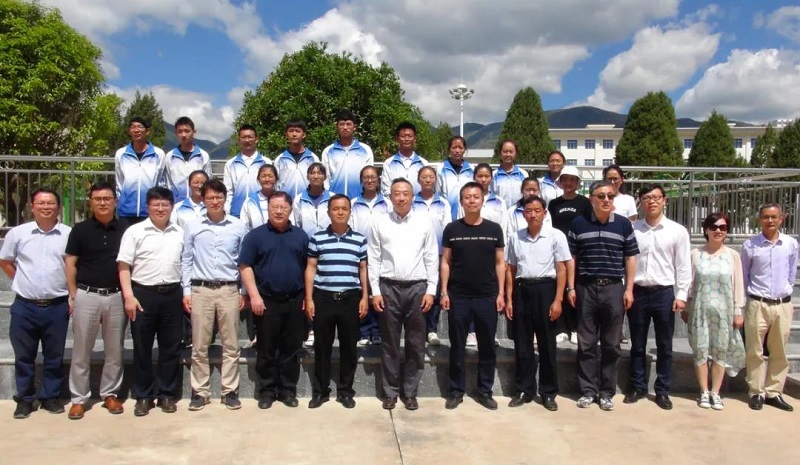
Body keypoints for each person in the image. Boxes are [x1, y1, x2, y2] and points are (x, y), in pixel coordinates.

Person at [0, 188, 71, 419]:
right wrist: (20, 280)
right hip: (25, 306)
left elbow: (73, 266)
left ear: (58, 207)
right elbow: (5, 261)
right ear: (33, 207)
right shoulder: (18, 233)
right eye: (41, 203)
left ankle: (50, 397)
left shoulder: (68, 234)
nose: (46, 207)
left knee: (54, 356)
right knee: (24, 356)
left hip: (57, 305)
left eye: (50, 203)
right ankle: (25, 399)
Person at [568, 180, 639, 411]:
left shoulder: (623, 224)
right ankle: (588, 391)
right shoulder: (578, 223)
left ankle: (607, 392)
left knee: (611, 344)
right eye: (601, 196)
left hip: (613, 288)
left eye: (610, 196)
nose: (606, 200)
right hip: (585, 288)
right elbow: (571, 258)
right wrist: (571, 287)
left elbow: (630, 258)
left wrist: (629, 289)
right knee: (586, 343)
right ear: (592, 199)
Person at [368, 178, 438, 410]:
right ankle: (390, 392)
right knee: (389, 342)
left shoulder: (424, 222)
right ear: (390, 196)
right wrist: (375, 291)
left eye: (405, 193)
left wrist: (431, 290)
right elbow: (374, 258)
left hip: (417, 288)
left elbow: (431, 257)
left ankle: (410, 392)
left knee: (416, 343)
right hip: (388, 287)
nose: (401, 198)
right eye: (396, 193)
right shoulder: (380, 222)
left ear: (412, 196)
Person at [117, 187, 184, 417]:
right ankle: (143, 396)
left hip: (172, 294)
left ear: (172, 206)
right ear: (148, 207)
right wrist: (129, 296)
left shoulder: (179, 232)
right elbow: (124, 265)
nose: (160, 208)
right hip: (143, 294)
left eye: (165, 204)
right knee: (142, 347)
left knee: (170, 347)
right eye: (156, 204)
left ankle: (167, 394)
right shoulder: (134, 232)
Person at [181, 179, 248, 411]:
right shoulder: (193, 226)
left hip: (229, 289)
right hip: (201, 290)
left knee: (231, 344)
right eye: (210, 197)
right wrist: (186, 290)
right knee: (199, 345)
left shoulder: (238, 226)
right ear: (203, 199)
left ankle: (229, 391)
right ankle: (200, 392)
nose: (215, 201)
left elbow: (243, 262)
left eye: (219, 197)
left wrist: (243, 291)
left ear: (225, 199)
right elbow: (186, 260)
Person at [239, 192, 309, 410]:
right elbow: (245, 266)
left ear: (290, 209)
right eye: (274, 207)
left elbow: (308, 268)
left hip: (294, 299)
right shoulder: (255, 236)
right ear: (268, 209)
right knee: (266, 348)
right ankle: (267, 391)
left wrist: (307, 297)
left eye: (283, 207)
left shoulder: (301, 236)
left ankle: (288, 391)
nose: (278, 211)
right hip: (266, 300)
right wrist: (254, 295)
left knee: (291, 348)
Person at [624, 185, 691, 410]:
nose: (651, 201)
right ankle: (638, 387)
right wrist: (627, 289)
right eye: (646, 198)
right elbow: (627, 261)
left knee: (665, 345)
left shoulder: (677, 231)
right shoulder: (633, 229)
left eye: (656, 197)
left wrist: (681, 295)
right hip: (638, 292)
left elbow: (683, 266)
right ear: (641, 202)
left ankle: (662, 390)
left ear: (664, 200)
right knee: (637, 344)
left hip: (664, 293)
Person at [64, 182, 126, 420]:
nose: (103, 203)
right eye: (98, 199)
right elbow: (70, 264)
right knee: (81, 350)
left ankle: (110, 394)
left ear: (115, 202)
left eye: (107, 198)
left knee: (114, 350)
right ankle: (79, 399)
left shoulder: (125, 229)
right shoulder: (80, 230)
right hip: (87, 295)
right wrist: (73, 294)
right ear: (90, 202)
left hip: (116, 296)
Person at [441, 182, 505, 410]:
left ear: (482, 200)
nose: (471, 201)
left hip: (486, 296)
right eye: (467, 197)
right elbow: (445, 261)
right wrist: (444, 291)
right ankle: (456, 391)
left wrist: (501, 293)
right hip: (458, 296)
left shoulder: (494, 229)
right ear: (461, 201)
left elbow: (500, 263)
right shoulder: (452, 229)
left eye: (476, 197)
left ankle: (485, 391)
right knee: (457, 345)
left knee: (487, 345)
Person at [505, 196, 570, 411]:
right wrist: (509, 298)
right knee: (522, 344)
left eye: (537, 210)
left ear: (544, 213)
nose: (533, 215)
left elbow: (561, 269)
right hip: (522, 290)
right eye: (528, 211)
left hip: (546, 290)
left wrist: (558, 299)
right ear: (523, 214)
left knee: (547, 345)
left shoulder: (555, 236)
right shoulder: (515, 237)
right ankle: (524, 389)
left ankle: (548, 392)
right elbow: (511, 269)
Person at [304, 194, 369, 409]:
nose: (340, 212)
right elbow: (311, 268)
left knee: (349, 348)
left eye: (344, 209)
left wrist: (364, 297)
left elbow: (363, 270)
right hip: (323, 298)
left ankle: (345, 391)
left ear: (350, 212)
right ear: (328, 212)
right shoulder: (317, 238)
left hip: (350, 298)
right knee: (322, 347)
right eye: (335, 208)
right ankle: (321, 391)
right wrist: (309, 298)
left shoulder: (359, 239)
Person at [684, 212, 746, 411]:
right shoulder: (696, 254)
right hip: (700, 310)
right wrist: (686, 307)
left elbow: (738, 284)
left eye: (723, 227)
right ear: (706, 230)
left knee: (720, 350)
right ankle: (703, 391)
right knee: (700, 350)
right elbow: (689, 284)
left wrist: (738, 310)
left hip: (724, 312)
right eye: (714, 227)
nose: (718, 231)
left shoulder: (732, 256)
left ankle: (715, 392)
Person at [741, 203, 798, 412]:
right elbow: (745, 275)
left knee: (779, 350)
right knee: (754, 350)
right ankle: (756, 391)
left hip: (782, 304)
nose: (770, 220)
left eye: (774, 217)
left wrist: (786, 291)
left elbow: (792, 273)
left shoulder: (790, 244)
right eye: (766, 217)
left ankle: (774, 392)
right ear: (760, 220)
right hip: (757, 303)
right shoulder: (750, 245)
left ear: (781, 219)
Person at [458, 162, 506, 346]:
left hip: (492, 249)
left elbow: (504, 226)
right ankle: (471, 331)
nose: (483, 179)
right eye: (480, 176)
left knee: (487, 293)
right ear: (474, 177)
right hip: (469, 248)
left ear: (491, 178)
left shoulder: (498, 201)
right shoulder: (467, 198)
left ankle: (488, 332)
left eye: (487, 176)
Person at [547, 165, 591, 344]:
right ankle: (560, 328)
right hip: (558, 252)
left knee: (575, 289)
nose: (569, 183)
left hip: (577, 252)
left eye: (573, 180)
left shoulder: (585, 203)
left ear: (578, 183)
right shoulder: (553, 204)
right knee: (559, 288)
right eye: (565, 179)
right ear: (560, 182)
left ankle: (575, 328)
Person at [350, 165, 390, 346]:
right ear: (361, 181)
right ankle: (364, 332)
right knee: (363, 292)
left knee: (378, 291)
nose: (370, 180)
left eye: (373, 177)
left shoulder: (387, 203)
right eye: (366, 177)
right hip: (360, 252)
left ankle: (377, 332)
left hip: (382, 253)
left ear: (378, 179)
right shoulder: (353, 203)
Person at [412, 166, 452, 346]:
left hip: (438, 253)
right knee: (420, 290)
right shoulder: (412, 201)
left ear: (435, 180)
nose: (427, 180)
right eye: (424, 177)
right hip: (417, 253)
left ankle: (432, 329)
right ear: (418, 179)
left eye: (430, 177)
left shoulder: (443, 203)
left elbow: (447, 228)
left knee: (434, 291)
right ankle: (419, 328)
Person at [114, 117, 167, 228]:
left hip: (150, 210)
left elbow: (161, 182)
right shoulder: (121, 154)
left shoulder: (158, 154)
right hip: (126, 211)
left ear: (147, 131)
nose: (136, 130)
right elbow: (119, 181)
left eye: (140, 127)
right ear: (129, 131)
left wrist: (158, 203)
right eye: (133, 127)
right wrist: (121, 201)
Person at [321, 110, 374, 198]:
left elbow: (369, 177)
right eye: (342, 124)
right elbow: (325, 179)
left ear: (354, 127)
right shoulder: (328, 151)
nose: (345, 127)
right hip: (335, 200)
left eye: (348, 124)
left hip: (359, 199)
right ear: (337, 127)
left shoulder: (365, 150)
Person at [223, 124, 271, 217]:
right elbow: (228, 191)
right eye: (244, 137)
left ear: (256, 139)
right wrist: (226, 213)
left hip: (260, 212)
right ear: (239, 140)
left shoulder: (266, 162)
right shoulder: (231, 164)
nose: (247, 140)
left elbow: (271, 189)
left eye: (250, 137)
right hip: (237, 213)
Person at [163, 116, 212, 204]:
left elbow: (208, 181)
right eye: (180, 131)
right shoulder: (170, 156)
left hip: (199, 204)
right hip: (176, 204)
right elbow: (167, 183)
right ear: (176, 133)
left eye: (187, 131)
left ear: (194, 132)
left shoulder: (203, 156)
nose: (183, 135)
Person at [274, 120, 320, 200]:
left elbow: (319, 181)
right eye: (291, 131)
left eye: (298, 131)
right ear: (286, 135)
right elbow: (275, 184)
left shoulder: (313, 158)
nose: (294, 134)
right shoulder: (280, 159)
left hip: (307, 200)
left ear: (304, 135)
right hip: (285, 202)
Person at [380, 121, 428, 195]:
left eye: (410, 136)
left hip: (418, 202)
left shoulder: (424, 164)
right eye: (403, 136)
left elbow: (428, 189)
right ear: (397, 139)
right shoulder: (389, 163)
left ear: (415, 139)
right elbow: (386, 190)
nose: (406, 139)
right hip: (395, 202)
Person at [437, 136, 474, 221]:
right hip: (447, 215)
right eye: (454, 147)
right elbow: (438, 193)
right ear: (449, 150)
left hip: (467, 214)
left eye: (460, 148)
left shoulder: (471, 170)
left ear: (464, 150)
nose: (457, 151)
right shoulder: (441, 169)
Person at [293, 162, 332, 239]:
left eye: (319, 173)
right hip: (306, 241)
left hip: (328, 241)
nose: (316, 176)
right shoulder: (299, 199)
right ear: (307, 177)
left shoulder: (332, 198)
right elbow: (296, 224)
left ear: (325, 177)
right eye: (312, 173)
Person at [241, 164, 279, 232]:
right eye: (263, 176)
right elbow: (244, 227)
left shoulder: (283, 200)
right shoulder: (250, 202)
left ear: (276, 179)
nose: (267, 179)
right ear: (258, 179)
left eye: (270, 176)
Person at [491, 139, 528, 206]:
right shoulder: (493, 175)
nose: (508, 154)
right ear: (500, 154)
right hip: (499, 211)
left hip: (518, 211)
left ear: (516, 154)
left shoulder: (523, 174)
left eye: (511, 152)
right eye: (505, 152)